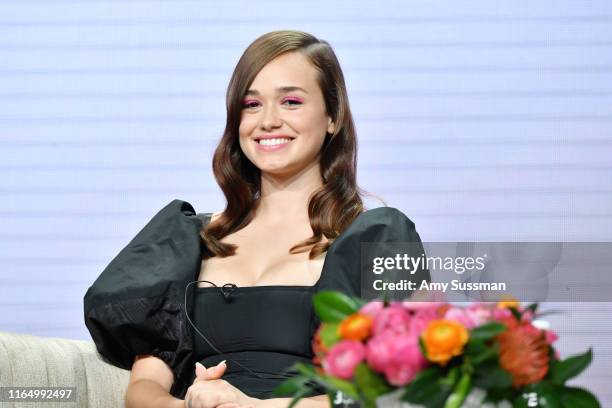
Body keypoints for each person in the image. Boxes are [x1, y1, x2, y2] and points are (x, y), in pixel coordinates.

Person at [83, 30, 429, 408]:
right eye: (251, 104)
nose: (268, 121)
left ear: (332, 116)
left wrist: (253, 407)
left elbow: (384, 393)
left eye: (291, 101)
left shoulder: (375, 238)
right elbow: (143, 390)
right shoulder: (185, 239)